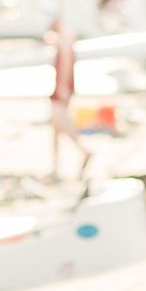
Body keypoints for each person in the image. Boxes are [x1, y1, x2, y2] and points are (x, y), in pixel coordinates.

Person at [45, 17, 87, 179]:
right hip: (62, 84)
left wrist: (62, 86)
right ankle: (55, 167)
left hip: (61, 85)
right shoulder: (64, 36)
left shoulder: (64, 36)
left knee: (59, 123)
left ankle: (85, 150)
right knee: (55, 128)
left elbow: (66, 62)